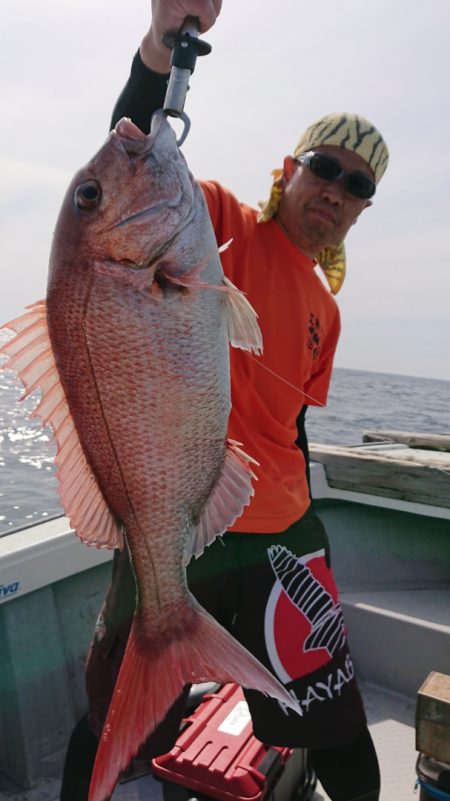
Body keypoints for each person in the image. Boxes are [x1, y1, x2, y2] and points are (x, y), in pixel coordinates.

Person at [60, 3, 389, 800]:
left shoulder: (328, 310)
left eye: (359, 186)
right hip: (171, 526)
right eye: (327, 168)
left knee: (347, 752)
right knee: (108, 731)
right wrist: (161, 46)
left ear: (360, 209)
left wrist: (307, 520)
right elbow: (125, 160)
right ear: (291, 167)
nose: (337, 192)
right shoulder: (212, 218)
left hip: (284, 538)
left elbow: (294, 427)